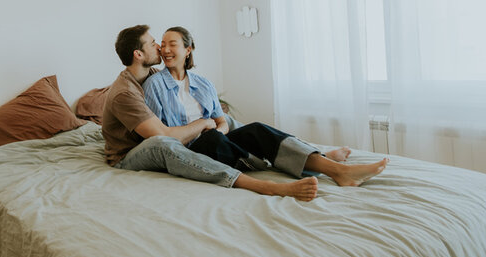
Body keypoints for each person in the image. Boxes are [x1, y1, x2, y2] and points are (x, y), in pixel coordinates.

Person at [143, 26, 388, 187]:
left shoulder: (203, 83)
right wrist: (204, 130)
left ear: (188, 49)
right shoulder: (155, 84)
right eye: (162, 44)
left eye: (172, 44)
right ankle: (281, 160)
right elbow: (161, 135)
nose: (165, 49)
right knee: (211, 141)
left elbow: (221, 121)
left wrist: (218, 130)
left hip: (217, 140)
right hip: (191, 148)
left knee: (257, 130)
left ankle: (333, 168)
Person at [103, 25, 319, 201]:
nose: (160, 47)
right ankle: (259, 184)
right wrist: (203, 124)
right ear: (138, 54)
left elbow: (210, 117)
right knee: (163, 144)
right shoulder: (125, 92)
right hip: (128, 154)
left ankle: (311, 158)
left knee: (231, 123)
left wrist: (212, 123)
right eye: (153, 43)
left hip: (157, 137)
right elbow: (163, 135)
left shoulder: (150, 73)